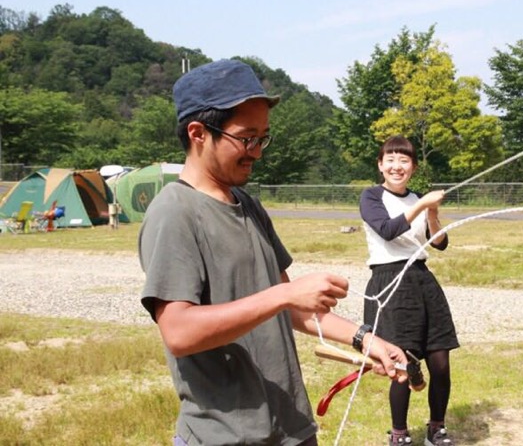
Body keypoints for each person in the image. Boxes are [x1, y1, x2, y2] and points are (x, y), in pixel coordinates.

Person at [139, 59, 406, 446]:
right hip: (226, 436)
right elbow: (179, 331)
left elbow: (293, 308)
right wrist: (283, 294)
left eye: (263, 138)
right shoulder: (174, 212)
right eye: (247, 138)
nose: (257, 152)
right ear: (198, 133)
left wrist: (365, 339)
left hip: (290, 429)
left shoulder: (248, 204)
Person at [359, 135, 459, 446]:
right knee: (399, 362)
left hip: (422, 279)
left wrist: (431, 211)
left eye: (404, 160)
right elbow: (388, 231)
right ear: (380, 165)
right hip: (389, 279)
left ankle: (436, 429)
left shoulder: (418, 199)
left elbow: (439, 243)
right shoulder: (371, 197)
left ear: (413, 167)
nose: (396, 166)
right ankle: (399, 434)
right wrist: (421, 206)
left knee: (440, 361)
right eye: (390, 159)